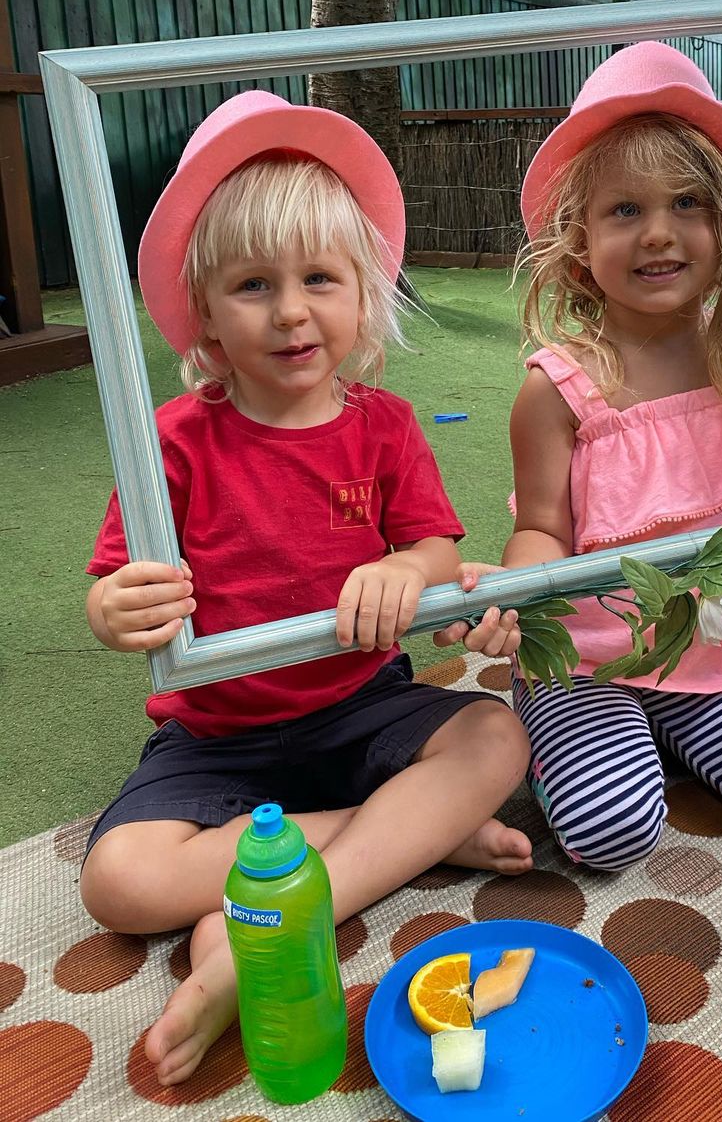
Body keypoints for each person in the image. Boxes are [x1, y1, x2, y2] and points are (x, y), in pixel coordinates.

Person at [82, 90, 531, 1087]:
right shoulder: (174, 440)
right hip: (218, 737)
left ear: (365, 293)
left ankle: (250, 931)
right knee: (118, 880)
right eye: (252, 284)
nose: (291, 311)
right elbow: (120, 584)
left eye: (320, 278)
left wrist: (403, 569)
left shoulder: (385, 426)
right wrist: (116, 609)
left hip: (361, 707)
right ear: (201, 307)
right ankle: (417, 840)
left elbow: (434, 548)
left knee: (497, 734)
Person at [440, 42, 722, 872]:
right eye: (624, 210)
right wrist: (515, 601)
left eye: (687, 203)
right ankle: (573, 734)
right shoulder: (557, 389)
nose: (658, 232)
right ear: (579, 241)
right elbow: (543, 529)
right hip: (590, 664)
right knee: (611, 832)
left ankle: (687, 734)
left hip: (719, 657)